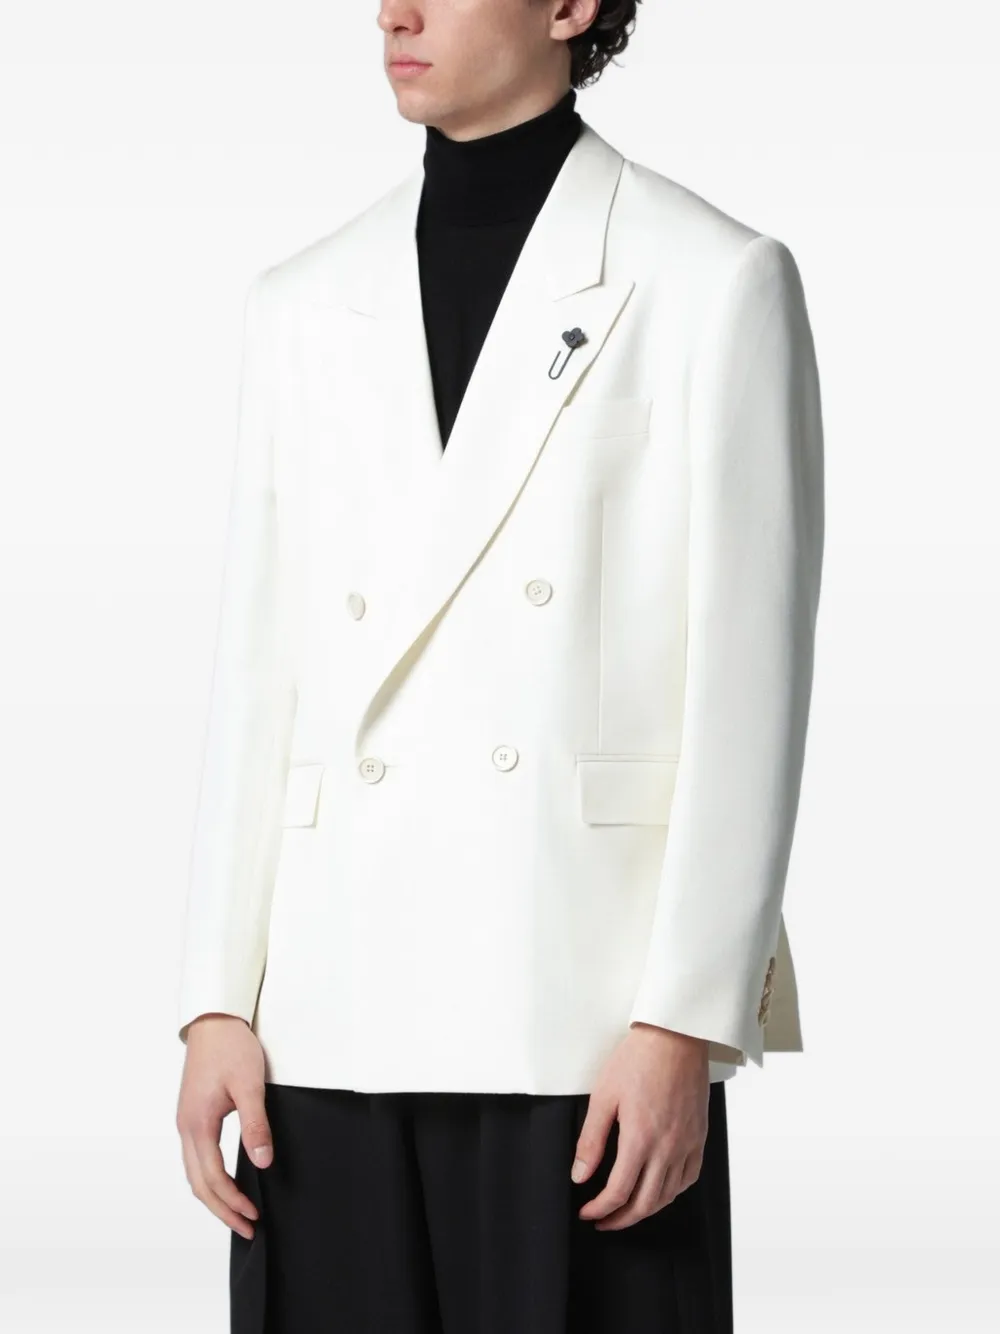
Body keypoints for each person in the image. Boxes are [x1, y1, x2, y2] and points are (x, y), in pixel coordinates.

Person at [175, 2, 825, 1330]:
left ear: (569, 6)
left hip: (580, 1023)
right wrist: (214, 1003)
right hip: (326, 1012)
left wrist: (685, 1020)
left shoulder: (714, 279)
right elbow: (258, 671)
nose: (395, 11)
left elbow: (751, 688)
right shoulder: (300, 302)